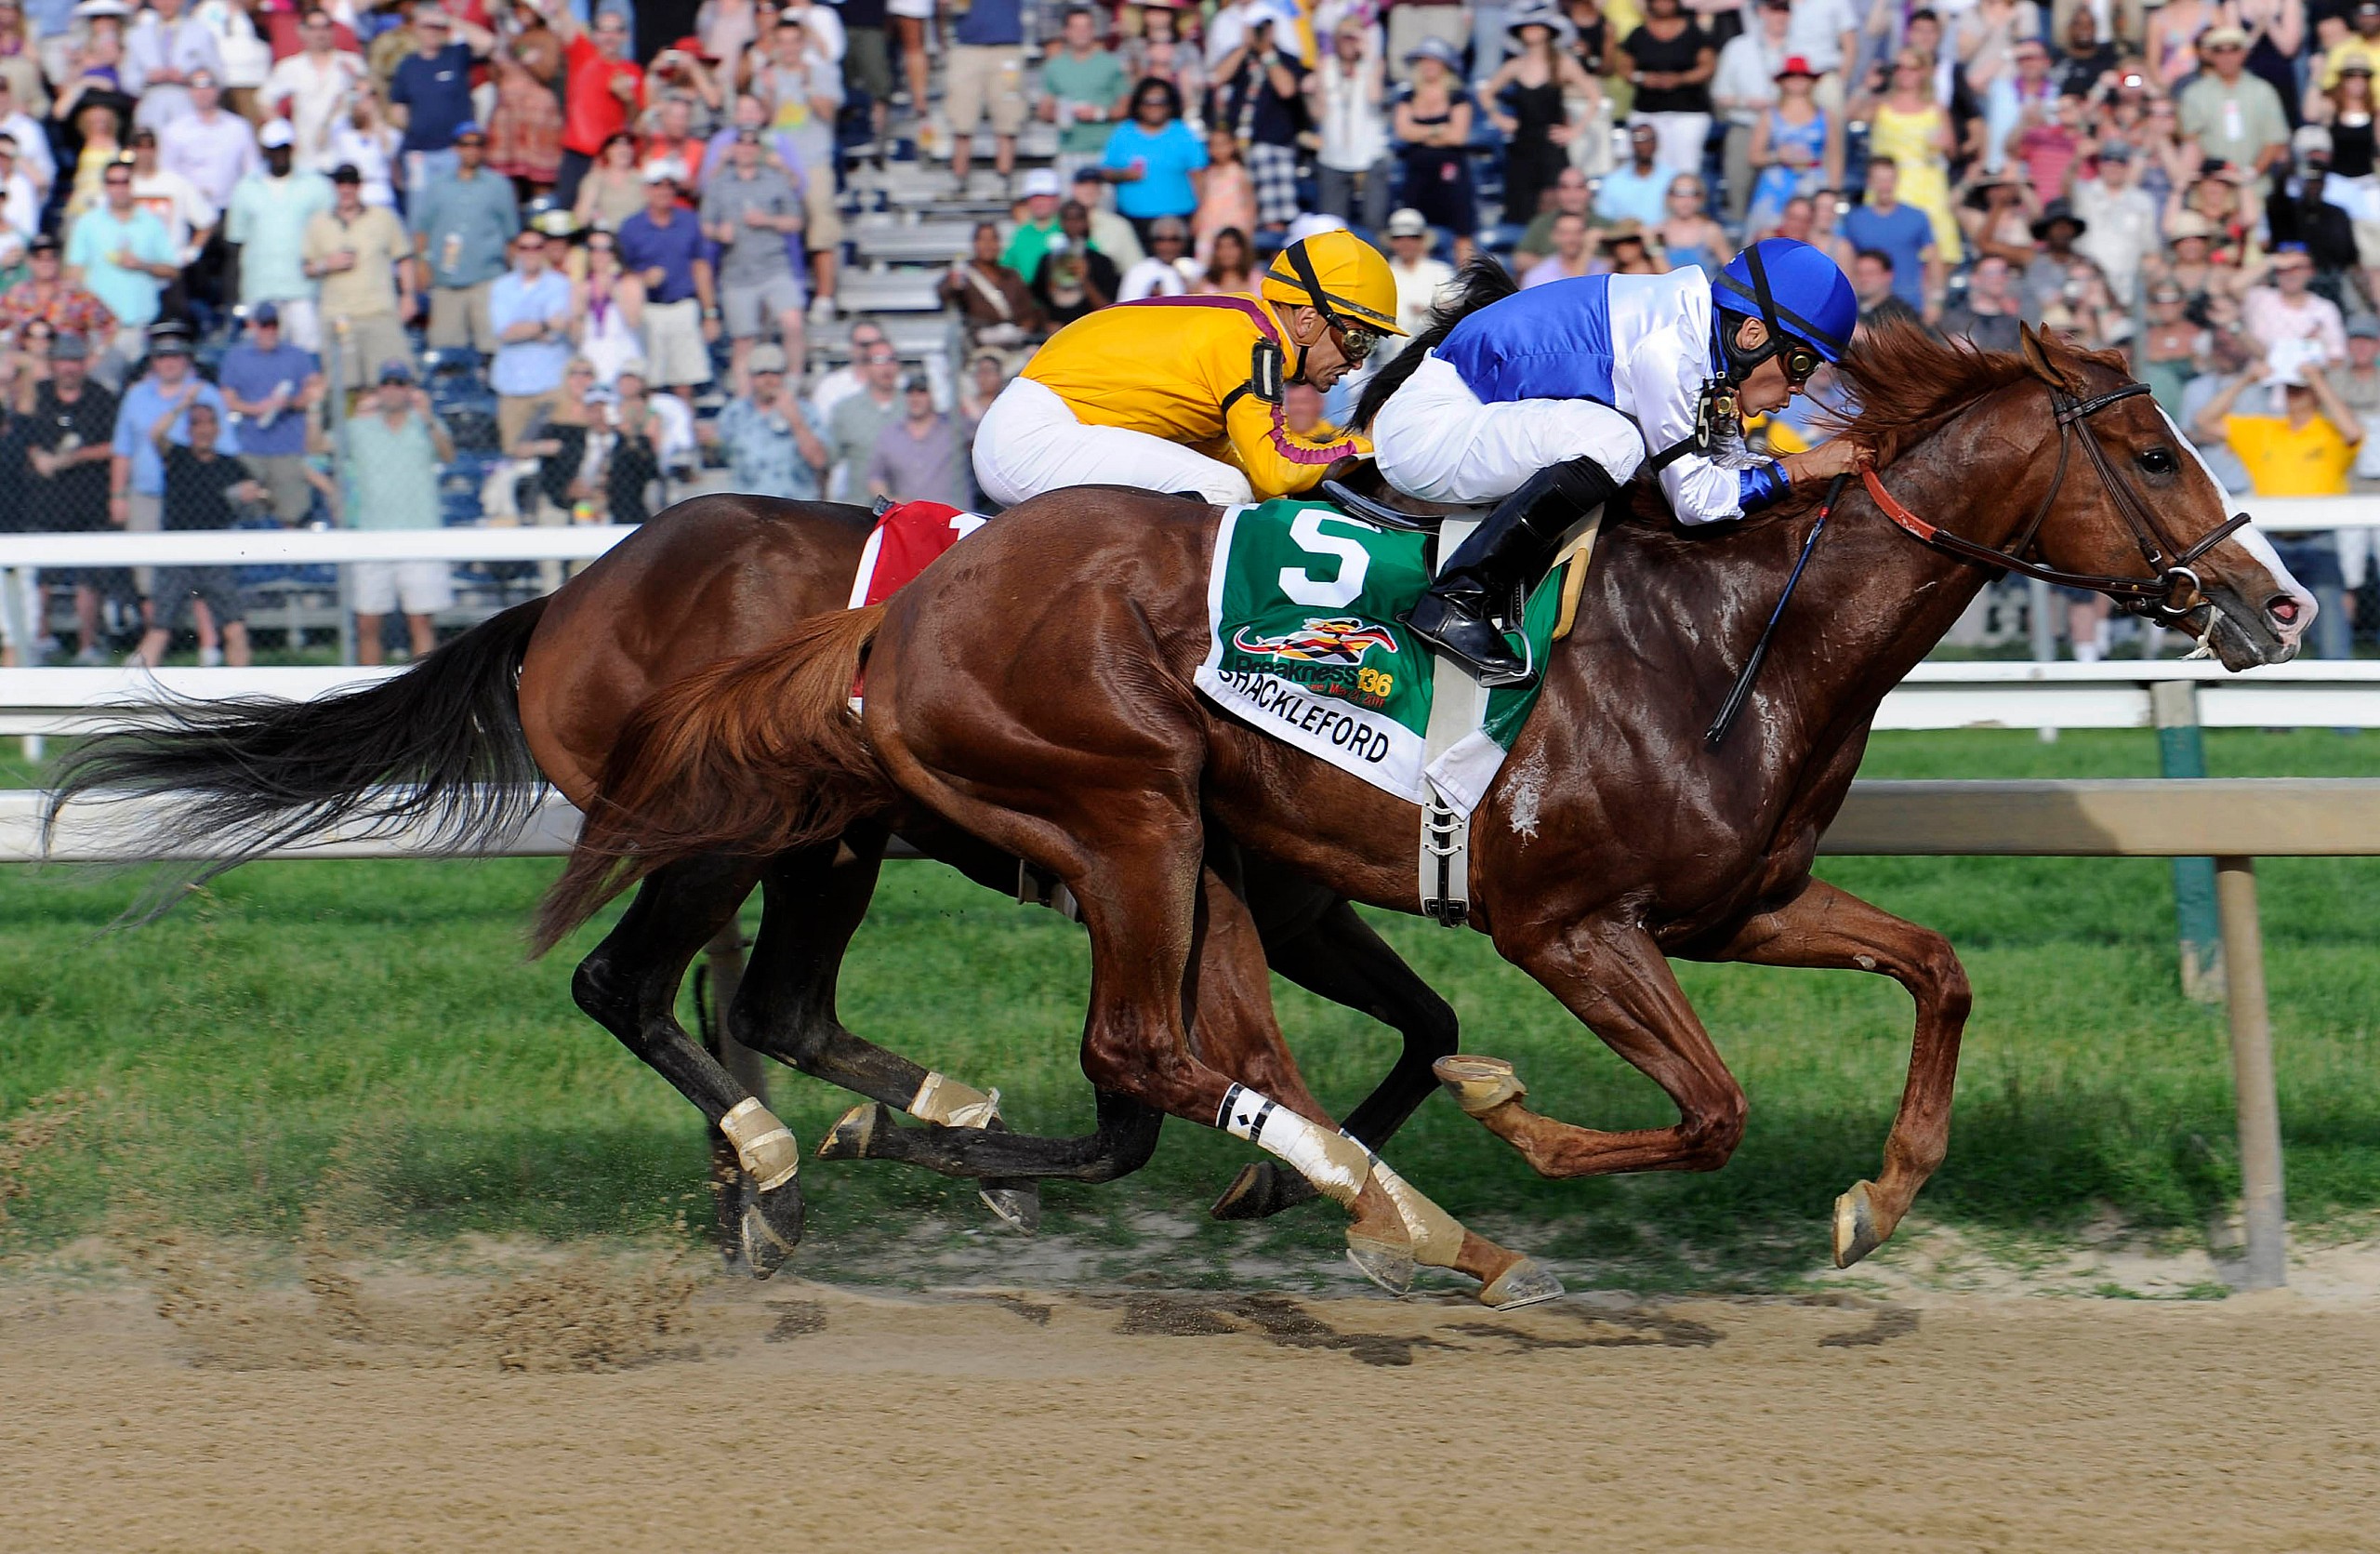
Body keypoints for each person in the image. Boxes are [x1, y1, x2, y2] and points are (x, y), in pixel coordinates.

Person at [1373, 238, 1866, 684]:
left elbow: (1728, 471)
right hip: (1430, 433)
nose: (1801, 386)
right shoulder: (1671, 349)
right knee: (1617, 442)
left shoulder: (1695, 335)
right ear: (1753, 334)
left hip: (1470, 418)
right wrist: (1805, 466)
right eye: (1801, 363)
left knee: (1619, 444)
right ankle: (1458, 598)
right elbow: (1696, 502)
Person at [972, 228, 1398, 507]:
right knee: (1223, 490)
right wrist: (1379, 447)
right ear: (1307, 319)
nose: (1358, 359)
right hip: (1034, 436)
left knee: (1234, 485)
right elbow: (1278, 466)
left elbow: (1252, 470)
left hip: (1042, 427)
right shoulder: (1254, 342)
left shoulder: (1249, 327)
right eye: (1356, 337)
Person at [128, 398, 266, 667]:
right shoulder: (177, 457)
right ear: (188, 430)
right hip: (177, 553)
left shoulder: (231, 466)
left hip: (215, 554)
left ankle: (244, 693)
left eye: (209, 423)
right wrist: (182, 404)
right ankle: (130, 692)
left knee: (234, 627)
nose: (203, 430)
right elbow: (155, 434)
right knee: (159, 628)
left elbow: (259, 507)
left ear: (218, 429)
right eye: (196, 424)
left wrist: (254, 497)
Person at [343, 358, 452, 664]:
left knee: (420, 621)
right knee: (367, 623)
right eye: (387, 383)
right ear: (379, 390)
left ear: (409, 389)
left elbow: (449, 454)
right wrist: (313, 410)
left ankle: (422, 700)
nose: (393, 390)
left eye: (399, 383)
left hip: (420, 532)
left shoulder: (425, 424)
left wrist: (429, 418)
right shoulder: (358, 427)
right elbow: (316, 449)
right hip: (371, 534)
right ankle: (365, 697)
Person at [23, 330, 119, 662]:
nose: (69, 368)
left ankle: (87, 646)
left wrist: (74, 458)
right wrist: (37, 455)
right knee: (42, 576)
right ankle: (41, 638)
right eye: (63, 361)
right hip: (45, 498)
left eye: (75, 361)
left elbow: (114, 446)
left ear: (84, 364)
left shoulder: (101, 398)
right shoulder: (39, 395)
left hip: (88, 497)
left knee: (87, 576)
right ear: (52, 364)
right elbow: (23, 433)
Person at [701, 125, 806, 387]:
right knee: (743, 341)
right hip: (737, 271)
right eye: (741, 144)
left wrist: (768, 220)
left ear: (758, 149)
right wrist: (718, 232)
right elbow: (704, 224)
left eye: (752, 145)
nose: (746, 150)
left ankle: (793, 381)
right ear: (733, 148)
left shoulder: (774, 179)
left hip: (773, 265)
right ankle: (744, 402)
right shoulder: (719, 183)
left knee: (792, 322)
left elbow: (796, 221)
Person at [301, 163, 414, 392]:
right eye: (341, 183)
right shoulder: (318, 223)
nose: (346, 189)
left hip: (378, 312)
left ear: (359, 186)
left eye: (351, 183)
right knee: (345, 389)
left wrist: (408, 296)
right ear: (334, 187)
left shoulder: (383, 218)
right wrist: (328, 264)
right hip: (338, 317)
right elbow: (307, 267)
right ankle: (350, 428)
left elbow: (404, 257)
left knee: (390, 382)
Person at [1487, 8, 1598, 235]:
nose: (1532, 31)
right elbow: (1485, 93)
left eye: (1537, 25)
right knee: (1520, 207)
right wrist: (1498, 117)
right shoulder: (1515, 66)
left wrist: (1574, 131)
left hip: (1551, 148)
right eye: (1527, 26)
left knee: (1554, 205)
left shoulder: (1563, 64)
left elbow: (1594, 96)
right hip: (1522, 148)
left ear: (1549, 31)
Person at [409, 123, 516, 357]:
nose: (471, 150)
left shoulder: (499, 186)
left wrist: (511, 281)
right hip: (447, 280)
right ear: (456, 148)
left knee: (493, 349)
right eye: (465, 144)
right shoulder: (437, 186)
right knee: (446, 352)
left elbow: (512, 236)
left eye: (478, 144)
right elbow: (422, 230)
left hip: (487, 280)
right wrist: (422, 265)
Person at [223, 121, 333, 349]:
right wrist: (235, 296)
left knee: (308, 353)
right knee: (262, 355)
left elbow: (329, 236)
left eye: (283, 148)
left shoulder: (317, 185)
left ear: (292, 148)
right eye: (273, 150)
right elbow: (236, 242)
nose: (279, 155)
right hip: (260, 287)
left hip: (304, 288)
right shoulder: (245, 187)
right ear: (264, 151)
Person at [214, 301, 322, 525]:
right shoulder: (237, 357)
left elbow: (314, 391)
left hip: (289, 448)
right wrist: (258, 408)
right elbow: (227, 400)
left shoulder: (297, 356)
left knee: (291, 514)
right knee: (250, 512)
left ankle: (290, 558)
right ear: (253, 326)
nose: (269, 330)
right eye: (264, 325)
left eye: (273, 325)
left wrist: (290, 402)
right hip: (250, 448)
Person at [65, 155, 176, 368]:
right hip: (101, 328)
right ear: (105, 186)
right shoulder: (88, 223)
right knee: (104, 391)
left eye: (124, 181)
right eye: (112, 182)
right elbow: (74, 272)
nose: (119, 188)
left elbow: (172, 269)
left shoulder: (151, 222)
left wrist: (142, 265)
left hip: (140, 325)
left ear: (132, 184)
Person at [615, 162, 714, 393]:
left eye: (669, 186)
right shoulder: (631, 227)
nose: (664, 191)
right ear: (647, 190)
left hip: (682, 306)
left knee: (685, 382)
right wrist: (642, 279)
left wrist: (710, 313)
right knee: (650, 382)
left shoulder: (688, 221)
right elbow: (621, 272)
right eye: (657, 186)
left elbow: (700, 266)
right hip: (648, 311)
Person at [388, 3, 496, 206]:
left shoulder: (456, 55)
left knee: (457, 208)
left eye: (437, 27)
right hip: (419, 153)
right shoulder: (408, 65)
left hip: (454, 152)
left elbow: (488, 42)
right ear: (416, 29)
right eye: (427, 26)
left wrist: (449, 20)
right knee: (420, 213)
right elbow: (398, 109)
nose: (433, 32)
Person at [1211, 12, 1307, 236]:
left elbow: (1287, 89)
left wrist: (1267, 52)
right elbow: (1216, 77)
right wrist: (1245, 46)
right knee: (1241, 214)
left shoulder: (1286, 59)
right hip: (1239, 149)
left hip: (1272, 148)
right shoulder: (1240, 59)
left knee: (1274, 218)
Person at [544, 0, 641, 208]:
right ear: (595, 35)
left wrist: (627, 98)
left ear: (625, 36)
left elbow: (636, 122)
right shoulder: (584, 54)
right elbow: (563, 14)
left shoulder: (632, 72)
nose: (609, 37)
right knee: (567, 214)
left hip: (609, 161)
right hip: (577, 155)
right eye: (604, 31)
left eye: (616, 31)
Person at [702, 340, 829, 498]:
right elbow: (719, 454)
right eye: (761, 373)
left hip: (795, 508)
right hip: (751, 509)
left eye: (775, 372)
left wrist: (796, 421)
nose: (768, 380)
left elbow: (819, 461)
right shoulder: (734, 413)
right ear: (751, 377)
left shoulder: (806, 411)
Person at [488, 226, 575, 450]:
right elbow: (505, 332)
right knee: (513, 451)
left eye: (536, 247)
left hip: (551, 383)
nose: (530, 253)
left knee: (555, 451)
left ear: (544, 250)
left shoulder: (561, 285)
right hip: (512, 385)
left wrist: (526, 328)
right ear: (516, 251)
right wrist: (543, 324)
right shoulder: (501, 287)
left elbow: (557, 330)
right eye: (524, 247)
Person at [1393, 38, 1476, 263]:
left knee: (1462, 232)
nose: (1428, 65)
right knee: (1414, 229)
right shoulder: (1408, 96)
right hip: (1418, 172)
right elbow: (1402, 131)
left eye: (1434, 60)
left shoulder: (1458, 97)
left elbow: (1458, 136)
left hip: (1452, 173)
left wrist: (1420, 132)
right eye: (1424, 60)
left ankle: (1469, 285)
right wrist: (1439, 130)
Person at [1310, 18, 1394, 234]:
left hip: (1369, 156)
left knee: (1374, 223)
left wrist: (1367, 57)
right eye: (1344, 37)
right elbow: (1318, 114)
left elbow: (1375, 97)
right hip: (1333, 157)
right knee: (1331, 226)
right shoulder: (1326, 66)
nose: (1349, 43)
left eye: (1353, 37)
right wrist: (1318, 80)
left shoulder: (1373, 64)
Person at [258, 7, 364, 172]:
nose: (320, 34)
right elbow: (264, 100)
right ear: (302, 32)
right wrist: (286, 133)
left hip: (344, 154)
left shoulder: (351, 63)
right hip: (306, 157)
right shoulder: (291, 67)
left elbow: (368, 100)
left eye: (325, 27)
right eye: (313, 28)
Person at [1617, 0, 1715, 179]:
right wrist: (1643, 78)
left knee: (1686, 167)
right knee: (1649, 168)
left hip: (1688, 112)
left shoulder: (1694, 33)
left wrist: (1680, 79)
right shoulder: (1638, 34)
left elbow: (1708, 66)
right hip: (1648, 111)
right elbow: (1624, 68)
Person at [2178, 26, 2291, 181]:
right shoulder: (2194, 94)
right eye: (2219, 51)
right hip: (2211, 186)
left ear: (2244, 53)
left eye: (2233, 50)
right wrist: (2215, 173)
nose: (2227, 57)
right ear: (2210, 55)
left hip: (2256, 185)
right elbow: (2191, 140)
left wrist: (2251, 173)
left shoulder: (2263, 91)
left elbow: (2274, 140)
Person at [1099, 76, 1206, 237]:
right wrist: (1124, 174)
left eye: (1161, 101)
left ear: (1170, 105)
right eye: (1148, 101)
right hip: (1133, 218)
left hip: (1178, 218)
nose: (1154, 107)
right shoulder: (1123, 132)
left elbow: (1199, 177)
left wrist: (1202, 213)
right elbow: (1105, 171)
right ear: (1139, 105)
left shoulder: (1183, 133)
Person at [1746, 57, 1838, 236]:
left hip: (1814, 182)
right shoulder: (1769, 115)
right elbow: (1753, 156)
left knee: (1816, 233)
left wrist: (1833, 191)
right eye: (1791, 76)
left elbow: (1835, 157)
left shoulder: (1825, 116)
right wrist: (1777, 156)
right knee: (1768, 235)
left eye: (1802, 76)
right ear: (1782, 82)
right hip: (1777, 184)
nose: (1797, 80)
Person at [1039, 6, 1129, 183]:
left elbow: (1126, 108)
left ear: (1093, 31)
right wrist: (1059, 114)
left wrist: (1098, 113)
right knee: (1070, 208)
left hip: (1104, 150)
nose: (1082, 33)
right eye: (1076, 27)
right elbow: (1044, 111)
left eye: (1086, 27)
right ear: (1066, 32)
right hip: (1069, 150)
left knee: (1104, 207)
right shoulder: (1054, 67)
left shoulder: (1111, 64)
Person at [945, 0, 1025, 187]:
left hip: (1007, 48)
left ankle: (1004, 175)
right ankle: (960, 177)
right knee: (962, 115)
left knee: (1009, 112)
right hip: (967, 47)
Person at [867, 370, 969, 507]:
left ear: (933, 395)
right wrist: (889, 499)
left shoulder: (955, 428)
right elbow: (876, 476)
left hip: (952, 517)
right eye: (910, 393)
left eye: (922, 392)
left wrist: (957, 391)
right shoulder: (890, 434)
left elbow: (982, 422)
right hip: (908, 518)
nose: (915, 398)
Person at [942, 218, 1042, 348]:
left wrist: (1025, 328)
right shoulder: (965, 274)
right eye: (983, 239)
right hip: (981, 345)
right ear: (975, 243)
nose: (988, 245)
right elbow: (944, 294)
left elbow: (1029, 310)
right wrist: (953, 285)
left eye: (993, 239)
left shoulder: (1011, 275)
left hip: (1014, 343)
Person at [826, 339, 900, 500]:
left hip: (907, 512)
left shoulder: (915, 407)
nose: (886, 368)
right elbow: (828, 460)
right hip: (860, 510)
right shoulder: (846, 410)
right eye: (879, 361)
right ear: (866, 367)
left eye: (891, 360)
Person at [1031, 204, 1118, 325]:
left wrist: (1084, 279)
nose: (1073, 224)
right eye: (1068, 219)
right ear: (1061, 222)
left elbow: (1108, 308)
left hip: (1091, 327)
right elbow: (1038, 302)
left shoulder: (1102, 262)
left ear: (1086, 222)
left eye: (1078, 218)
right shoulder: (1047, 260)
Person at [1382, 205, 1454, 339]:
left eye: (1413, 237)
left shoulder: (1441, 270)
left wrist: (1428, 310)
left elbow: (1452, 307)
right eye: (1398, 238)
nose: (1406, 243)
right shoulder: (1382, 273)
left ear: (1423, 240)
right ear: (1391, 242)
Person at [1938, 253, 2023, 352]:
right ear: (1974, 279)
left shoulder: (2013, 325)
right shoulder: (1953, 318)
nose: (1998, 278)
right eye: (1991, 273)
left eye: (2003, 272)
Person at [1594, 121, 1673, 227]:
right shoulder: (1613, 181)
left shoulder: (1672, 179)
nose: (1645, 144)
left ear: (1657, 143)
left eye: (1650, 139)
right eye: (1639, 139)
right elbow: (1604, 217)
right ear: (1631, 143)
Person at [1118, 214, 1193, 300]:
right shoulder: (1138, 271)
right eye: (1161, 239)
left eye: (1174, 239)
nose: (1167, 246)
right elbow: (1125, 305)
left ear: (1184, 242)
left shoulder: (1195, 269)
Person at [1522, 210, 1594, 286]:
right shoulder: (1538, 274)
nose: (1572, 239)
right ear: (1554, 236)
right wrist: (1586, 252)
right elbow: (1574, 291)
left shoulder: (1601, 268)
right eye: (1565, 233)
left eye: (1578, 232)